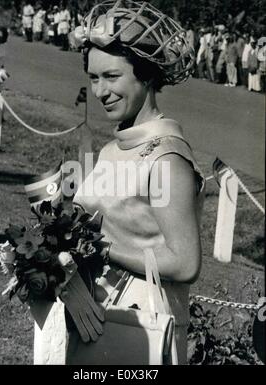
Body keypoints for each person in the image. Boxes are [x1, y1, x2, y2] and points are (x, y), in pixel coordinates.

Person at [66, 0, 205, 365]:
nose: (100, 91)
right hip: (97, 319)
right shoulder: (116, 147)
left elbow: (184, 262)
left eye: (112, 77)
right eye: (93, 78)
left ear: (145, 74)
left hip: (143, 326)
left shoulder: (165, 158)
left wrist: (100, 249)